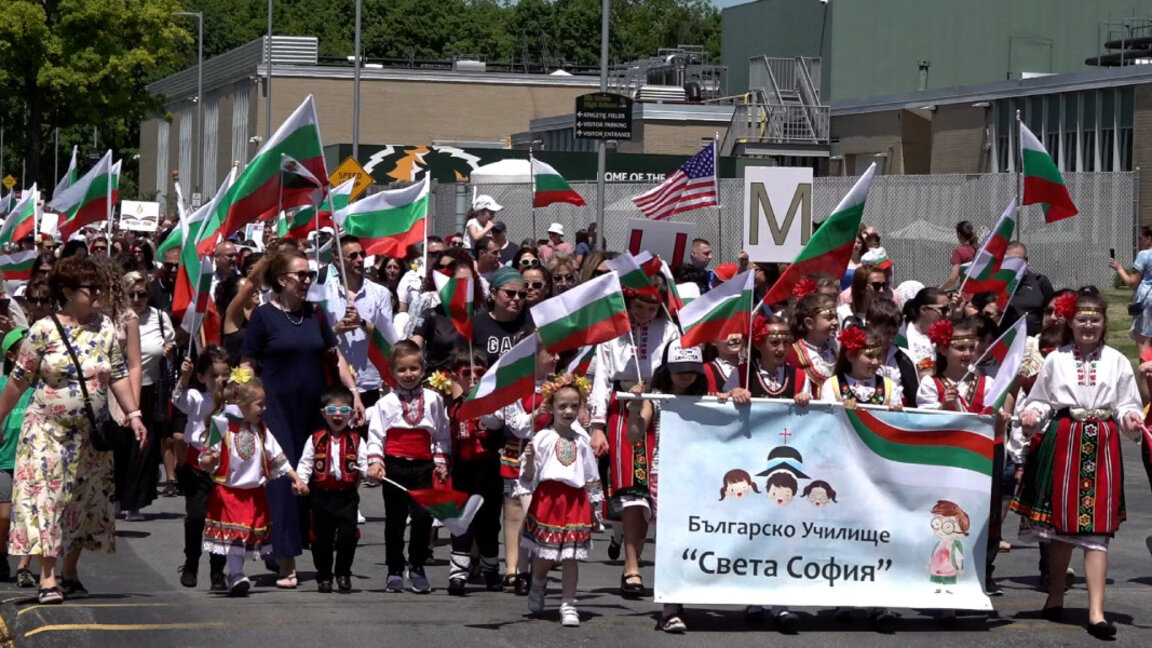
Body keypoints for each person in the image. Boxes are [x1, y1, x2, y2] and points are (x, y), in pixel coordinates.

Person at [0, 255, 148, 604]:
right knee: (47, 501)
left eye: (99, 286)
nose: (97, 293)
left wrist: (135, 413)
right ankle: (47, 578)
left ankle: (70, 571)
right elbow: (18, 382)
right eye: (90, 287)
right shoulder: (43, 331)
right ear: (66, 291)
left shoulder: (106, 328)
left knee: (82, 503)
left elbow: (118, 373)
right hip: (46, 433)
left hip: (89, 437)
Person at [1011, 291, 1143, 639]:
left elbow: (1129, 403)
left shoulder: (1117, 360)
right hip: (1065, 440)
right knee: (1062, 528)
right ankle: (1055, 596)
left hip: (1101, 443)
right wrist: (1031, 414)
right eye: (1082, 319)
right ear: (1070, 321)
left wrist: (1130, 420)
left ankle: (1096, 613)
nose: (1088, 325)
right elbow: (1040, 400)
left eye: (1095, 319)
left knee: (1096, 530)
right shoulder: (1056, 360)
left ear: (1104, 322)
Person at [241, 249, 363, 589]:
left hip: (315, 410)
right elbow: (249, 361)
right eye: (302, 275)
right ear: (282, 280)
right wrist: (241, 395)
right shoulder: (264, 316)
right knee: (283, 480)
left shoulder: (316, 314)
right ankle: (286, 560)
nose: (308, 280)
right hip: (277, 410)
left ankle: (317, 549)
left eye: (310, 275)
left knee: (316, 481)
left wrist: (352, 392)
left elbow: (334, 355)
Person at [588, 284, 678, 599]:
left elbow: (676, 368)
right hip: (624, 408)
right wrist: (597, 425)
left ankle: (647, 561)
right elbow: (601, 379)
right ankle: (631, 567)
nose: (647, 313)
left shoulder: (668, 329)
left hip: (661, 408)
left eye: (653, 307)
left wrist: (655, 384)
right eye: (641, 306)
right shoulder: (613, 329)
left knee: (659, 492)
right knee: (632, 489)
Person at [197, 370, 307, 597]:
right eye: (259, 404)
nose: (264, 409)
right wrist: (211, 459)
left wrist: (295, 478)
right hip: (228, 491)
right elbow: (206, 457)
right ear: (241, 404)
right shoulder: (221, 425)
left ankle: (236, 573)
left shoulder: (260, 430)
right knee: (235, 536)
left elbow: (277, 456)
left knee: (246, 535)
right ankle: (236, 574)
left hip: (253, 493)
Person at [365, 340, 451, 594]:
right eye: (402, 370)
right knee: (395, 520)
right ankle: (394, 569)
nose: (408, 374)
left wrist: (441, 460)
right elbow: (376, 435)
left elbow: (441, 433)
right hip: (395, 466)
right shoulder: (385, 403)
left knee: (423, 518)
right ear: (392, 372)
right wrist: (375, 462)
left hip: (423, 466)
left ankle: (417, 566)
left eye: (414, 368)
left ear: (423, 370)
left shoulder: (434, 400)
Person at [519, 374, 601, 627]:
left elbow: (590, 474)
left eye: (574, 406)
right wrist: (530, 458)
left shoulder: (583, 440)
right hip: (549, 500)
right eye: (562, 406)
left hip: (575, 500)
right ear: (551, 407)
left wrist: (595, 507)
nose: (568, 411)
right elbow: (529, 476)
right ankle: (538, 583)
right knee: (545, 555)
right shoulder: (542, 438)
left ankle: (568, 603)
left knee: (571, 556)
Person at [484, 338, 559, 594]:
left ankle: (535, 568)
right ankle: (513, 568)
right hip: (520, 453)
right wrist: (537, 415)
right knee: (515, 511)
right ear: (533, 356)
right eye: (552, 352)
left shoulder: (559, 385)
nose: (557, 358)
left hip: (549, 457)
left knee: (538, 512)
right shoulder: (516, 386)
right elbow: (516, 425)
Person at [296, 385, 368, 593]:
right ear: (323, 414)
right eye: (332, 411)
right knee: (321, 539)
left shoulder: (356, 440)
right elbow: (306, 463)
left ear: (351, 414)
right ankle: (324, 575)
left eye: (344, 411)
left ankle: (343, 573)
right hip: (321, 496)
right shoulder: (315, 438)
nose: (338, 416)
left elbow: (363, 463)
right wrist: (301, 481)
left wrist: (371, 470)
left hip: (347, 496)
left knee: (348, 536)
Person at [114, 272, 175, 517]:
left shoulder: (159, 318)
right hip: (118, 391)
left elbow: (169, 347)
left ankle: (134, 501)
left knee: (142, 447)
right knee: (120, 446)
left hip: (149, 388)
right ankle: (117, 496)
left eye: (142, 294)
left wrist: (169, 351)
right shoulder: (114, 319)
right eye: (132, 294)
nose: (138, 299)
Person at [445, 349, 504, 596]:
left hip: (490, 469)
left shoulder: (494, 406)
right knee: (461, 524)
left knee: (489, 525)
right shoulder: (453, 408)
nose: (473, 379)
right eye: (466, 373)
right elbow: (445, 439)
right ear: (456, 377)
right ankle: (458, 574)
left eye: (479, 373)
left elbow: (501, 427)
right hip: (463, 471)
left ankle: (491, 571)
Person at [172, 346, 231, 591]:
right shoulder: (197, 398)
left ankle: (218, 571)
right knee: (196, 517)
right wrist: (184, 377)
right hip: (197, 465)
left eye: (224, 375)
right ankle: (191, 562)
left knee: (220, 520)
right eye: (213, 376)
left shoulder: (233, 401)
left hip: (224, 468)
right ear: (201, 377)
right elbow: (178, 400)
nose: (219, 381)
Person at [330, 236, 394, 409]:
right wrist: (336, 329)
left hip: (372, 382)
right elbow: (319, 336)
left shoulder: (380, 293)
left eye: (362, 254)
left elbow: (388, 339)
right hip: (337, 384)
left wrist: (361, 323)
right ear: (338, 260)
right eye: (353, 256)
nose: (360, 259)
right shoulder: (326, 294)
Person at [0, 328, 33, 582]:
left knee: (29, 516)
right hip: (5, 459)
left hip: (32, 459)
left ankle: (24, 567)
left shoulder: (40, 386)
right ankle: (2, 555)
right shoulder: (3, 385)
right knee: (4, 516)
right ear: (12, 356)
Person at [817, 326, 903, 409]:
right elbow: (828, 420)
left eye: (879, 356)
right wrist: (844, 413)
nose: (876, 362)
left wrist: (895, 414)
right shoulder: (832, 385)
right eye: (870, 355)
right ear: (851, 356)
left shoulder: (889, 387)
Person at [783, 293, 839, 397]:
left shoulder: (835, 353)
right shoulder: (792, 355)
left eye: (836, 317)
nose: (835, 322)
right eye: (829, 317)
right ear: (809, 323)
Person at [473, 268, 532, 366]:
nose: (517, 298)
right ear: (493, 293)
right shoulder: (476, 326)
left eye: (522, 294)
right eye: (510, 293)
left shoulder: (531, 325)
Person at [866, 298, 919, 406]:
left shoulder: (903, 358)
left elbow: (913, 395)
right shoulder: (857, 356)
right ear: (869, 326)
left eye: (894, 333)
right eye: (886, 332)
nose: (890, 338)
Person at [1109, 225, 1152, 358]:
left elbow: (1132, 282)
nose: (1139, 242)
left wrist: (1119, 268)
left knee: (1144, 343)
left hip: (1147, 302)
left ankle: (1146, 376)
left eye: (1141, 238)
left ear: (1149, 238)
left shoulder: (1144, 255)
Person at [1003, 242, 1054, 337]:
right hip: (1005, 343)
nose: (1014, 265)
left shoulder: (1040, 282)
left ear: (1026, 260)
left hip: (1033, 343)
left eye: (1018, 261)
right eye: (1009, 261)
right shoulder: (998, 286)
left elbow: (1053, 311)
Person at [902, 287, 951, 377]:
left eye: (948, 309)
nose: (947, 314)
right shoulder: (904, 334)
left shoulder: (947, 334)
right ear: (924, 310)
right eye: (943, 310)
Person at [398, 237, 445, 314]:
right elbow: (402, 310)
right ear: (424, 254)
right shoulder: (409, 278)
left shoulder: (450, 278)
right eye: (433, 254)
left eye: (441, 254)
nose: (438, 258)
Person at [940, 221, 979, 291]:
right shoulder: (980, 249)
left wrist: (940, 289)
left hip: (967, 292)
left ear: (959, 235)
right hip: (982, 291)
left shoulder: (959, 252)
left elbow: (953, 278)